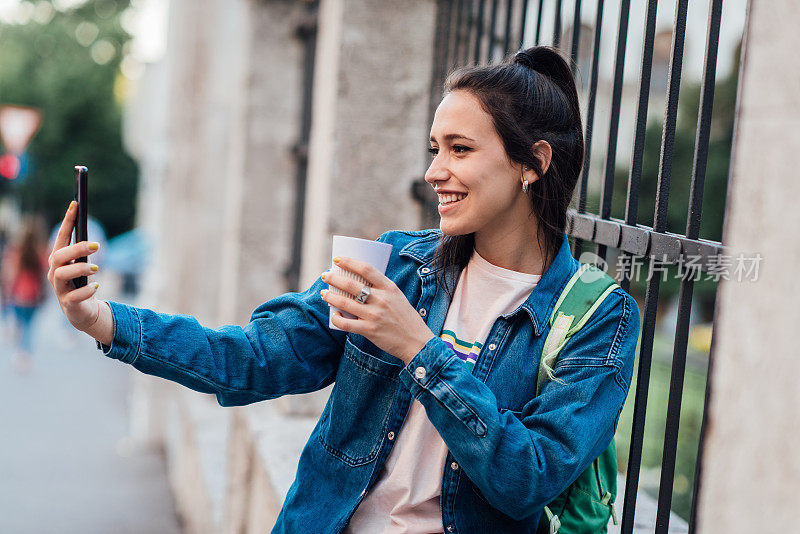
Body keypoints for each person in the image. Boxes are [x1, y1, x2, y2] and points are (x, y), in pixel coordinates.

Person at [47, 46, 640, 533]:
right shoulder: (400, 265)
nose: (435, 171)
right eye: (435, 148)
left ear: (532, 162)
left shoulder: (598, 318)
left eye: (460, 149)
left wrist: (419, 350)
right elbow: (253, 359)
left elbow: (528, 479)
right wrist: (102, 320)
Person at [3, 218, 50, 372]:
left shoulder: (16, 251)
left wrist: (8, 293)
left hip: (18, 296)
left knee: (20, 324)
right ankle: (26, 354)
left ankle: (20, 353)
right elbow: (45, 274)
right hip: (33, 296)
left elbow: (11, 274)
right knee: (29, 326)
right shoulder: (40, 252)